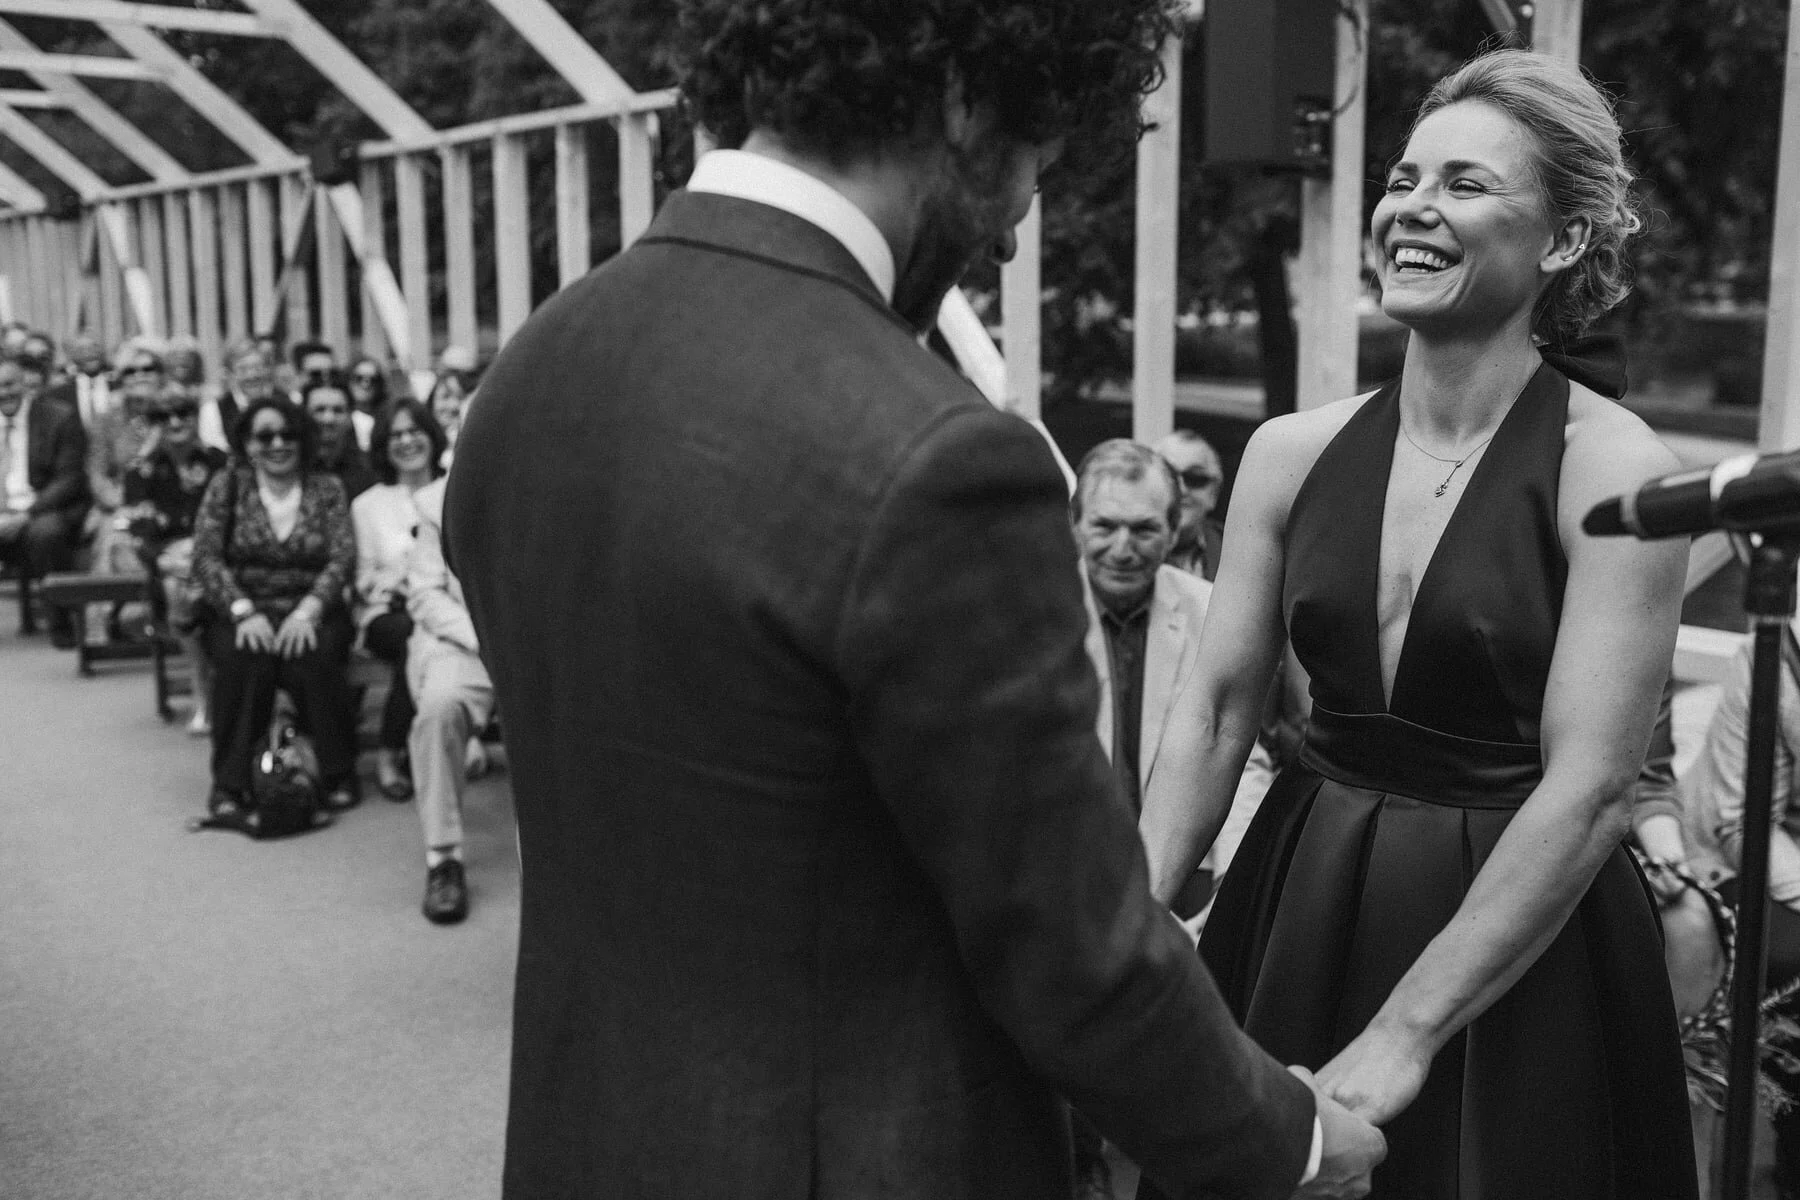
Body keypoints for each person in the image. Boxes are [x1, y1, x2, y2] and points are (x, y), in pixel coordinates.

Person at [443, 2, 1386, 1196]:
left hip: (592, 1140)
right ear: (963, 96)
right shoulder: (935, 458)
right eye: (1035, 163)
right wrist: (1290, 1137)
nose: (1007, 236)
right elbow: (1072, 950)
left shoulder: (529, 378)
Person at [1137, 49, 1696, 1199]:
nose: (1413, 209)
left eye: (1466, 184)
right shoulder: (1289, 455)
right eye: (1403, 178)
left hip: (1521, 943)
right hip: (1301, 899)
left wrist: (1407, 1031)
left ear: (1565, 241)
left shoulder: (1617, 470)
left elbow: (1590, 788)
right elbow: (1215, 710)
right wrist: (1119, 933)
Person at [191, 395, 360, 817]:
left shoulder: (327, 488)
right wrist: (242, 611)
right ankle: (229, 785)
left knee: (315, 658)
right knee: (243, 661)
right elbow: (206, 557)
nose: (278, 444)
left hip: (311, 607)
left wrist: (309, 610)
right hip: (245, 609)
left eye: (287, 434)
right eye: (265, 436)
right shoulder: (227, 486)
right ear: (247, 443)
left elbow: (342, 558)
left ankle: (337, 773)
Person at [405, 473, 496, 925]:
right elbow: (424, 595)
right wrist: (488, 640)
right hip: (465, 642)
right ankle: (443, 859)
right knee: (440, 706)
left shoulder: (556, 487)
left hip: (544, 646)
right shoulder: (435, 502)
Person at [352, 397, 447, 800]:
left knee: (436, 632)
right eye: (396, 435)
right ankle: (392, 752)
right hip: (388, 613)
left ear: (431, 436)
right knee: (415, 638)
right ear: (383, 445)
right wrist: (395, 584)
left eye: (414, 431)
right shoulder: (368, 505)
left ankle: (453, 740)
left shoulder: (453, 490)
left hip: (444, 605)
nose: (407, 441)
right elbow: (362, 577)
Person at [123, 387, 229, 734]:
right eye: (164, 417)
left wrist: (202, 554)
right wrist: (164, 558)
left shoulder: (218, 461)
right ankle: (204, 693)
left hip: (215, 556)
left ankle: (228, 687)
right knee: (174, 588)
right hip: (167, 563)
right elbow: (139, 530)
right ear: (153, 424)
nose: (175, 422)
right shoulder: (142, 470)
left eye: (183, 413)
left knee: (204, 583)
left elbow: (232, 518)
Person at [0, 355, 88, 644]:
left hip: (43, 509)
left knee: (46, 533)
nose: (3, 393)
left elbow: (69, 479)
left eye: (9, 384)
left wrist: (26, 514)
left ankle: (61, 624)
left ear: (24, 383)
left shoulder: (58, 417)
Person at [81, 342, 164, 644]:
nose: (140, 376)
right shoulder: (108, 419)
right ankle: (102, 621)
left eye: (148, 369)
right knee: (112, 535)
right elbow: (97, 472)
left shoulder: (175, 411)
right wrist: (122, 504)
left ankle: (137, 613)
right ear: (121, 377)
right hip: (115, 502)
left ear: (160, 374)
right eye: (131, 370)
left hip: (166, 499)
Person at [1151, 429, 1225, 580]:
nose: (1182, 490)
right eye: (1169, 476)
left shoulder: (1236, 551)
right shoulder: (1125, 544)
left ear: (1214, 493)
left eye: (1195, 478)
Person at [301, 376, 378, 501]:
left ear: (350, 417)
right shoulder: (293, 469)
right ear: (304, 415)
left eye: (338, 410)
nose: (328, 419)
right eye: (319, 410)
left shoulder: (370, 468)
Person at [198, 339, 278, 454]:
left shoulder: (287, 401)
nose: (252, 375)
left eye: (257, 368)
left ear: (267, 369)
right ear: (231, 374)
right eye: (243, 370)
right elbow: (216, 451)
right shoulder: (212, 410)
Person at [346, 356, 389, 450]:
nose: (365, 384)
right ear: (349, 381)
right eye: (359, 378)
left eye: (373, 379)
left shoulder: (389, 419)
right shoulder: (340, 417)